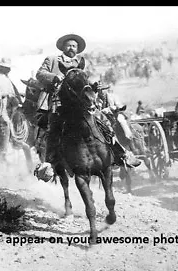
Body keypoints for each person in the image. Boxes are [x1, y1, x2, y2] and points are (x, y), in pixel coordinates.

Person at [34, 34, 140, 180]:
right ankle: (49, 165)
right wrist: (54, 77)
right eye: (69, 45)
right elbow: (40, 74)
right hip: (59, 104)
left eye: (74, 46)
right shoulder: (52, 60)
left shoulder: (82, 62)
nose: (71, 48)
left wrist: (96, 85)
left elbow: (89, 79)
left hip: (81, 104)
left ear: (77, 49)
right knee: (54, 129)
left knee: (104, 122)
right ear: (63, 47)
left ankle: (121, 153)